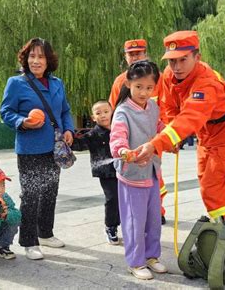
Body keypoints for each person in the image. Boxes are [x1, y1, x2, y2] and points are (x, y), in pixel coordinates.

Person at [136, 31, 225, 221]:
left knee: (213, 186)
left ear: (197, 57)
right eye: (172, 61)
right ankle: (222, 227)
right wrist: (172, 136)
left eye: (182, 60)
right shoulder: (169, 75)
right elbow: (171, 107)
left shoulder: (206, 83)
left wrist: (157, 143)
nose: (176, 67)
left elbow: (190, 117)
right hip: (205, 132)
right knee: (205, 178)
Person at [0, 37, 74, 260]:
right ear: (25, 59)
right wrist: (23, 121)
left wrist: (69, 129)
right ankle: (29, 240)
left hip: (55, 147)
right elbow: (6, 111)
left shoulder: (57, 83)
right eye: (32, 56)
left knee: (51, 190)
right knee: (31, 194)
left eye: (41, 56)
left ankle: (46, 233)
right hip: (30, 147)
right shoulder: (17, 83)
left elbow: (65, 111)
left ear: (48, 60)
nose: (36, 60)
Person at [110, 60, 168, 280]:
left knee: (154, 217)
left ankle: (152, 256)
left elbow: (159, 128)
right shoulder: (122, 111)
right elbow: (117, 139)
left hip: (152, 171)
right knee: (135, 220)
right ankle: (135, 261)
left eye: (149, 88)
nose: (144, 92)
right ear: (128, 84)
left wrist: (171, 136)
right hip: (132, 174)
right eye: (138, 87)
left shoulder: (153, 107)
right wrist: (124, 152)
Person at [108, 39, 168, 224]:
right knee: (136, 181)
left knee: (156, 176)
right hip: (131, 143)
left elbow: (168, 106)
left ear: (146, 54)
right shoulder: (120, 82)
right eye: (131, 54)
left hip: (155, 138)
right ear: (125, 57)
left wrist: (169, 135)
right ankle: (140, 219)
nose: (135, 57)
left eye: (139, 53)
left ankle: (157, 211)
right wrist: (121, 146)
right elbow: (115, 113)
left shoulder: (158, 78)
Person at [72, 100, 120, 245]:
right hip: (106, 172)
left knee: (127, 200)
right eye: (98, 113)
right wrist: (66, 139)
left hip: (125, 170)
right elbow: (79, 145)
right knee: (112, 199)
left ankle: (130, 226)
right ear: (93, 117)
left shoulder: (120, 129)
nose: (103, 115)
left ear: (112, 112)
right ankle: (110, 227)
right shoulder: (93, 134)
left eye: (106, 111)